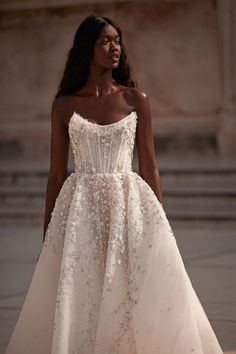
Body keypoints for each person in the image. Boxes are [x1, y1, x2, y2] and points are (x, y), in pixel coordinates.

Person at [5, 14, 224, 354]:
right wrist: (48, 236)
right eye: (105, 41)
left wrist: (160, 223)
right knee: (86, 287)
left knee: (129, 285)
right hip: (79, 208)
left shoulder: (137, 100)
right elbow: (55, 175)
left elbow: (150, 166)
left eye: (117, 40)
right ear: (87, 49)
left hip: (130, 203)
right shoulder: (63, 106)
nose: (114, 47)